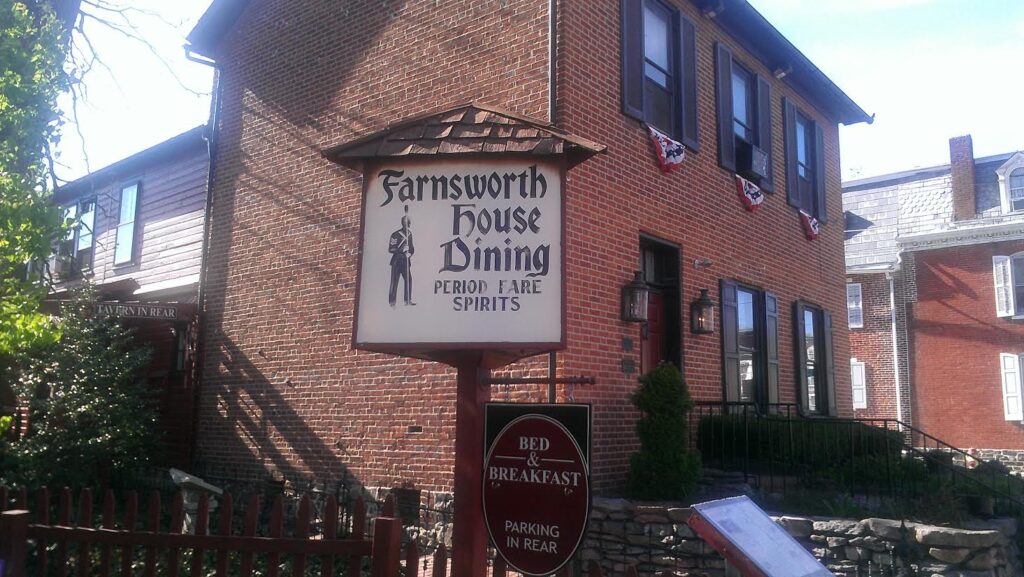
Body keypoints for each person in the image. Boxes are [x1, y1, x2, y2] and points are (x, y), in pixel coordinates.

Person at [388, 211, 415, 307]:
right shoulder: (395, 234)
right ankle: (392, 302)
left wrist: (410, 252)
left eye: (408, 224)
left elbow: (412, 248)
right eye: (406, 224)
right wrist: (401, 249)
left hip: (406, 261)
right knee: (394, 281)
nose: (408, 225)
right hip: (396, 261)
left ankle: (407, 300)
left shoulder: (409, 235)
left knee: (408, 280)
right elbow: (391, 248)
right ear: (403, 223)